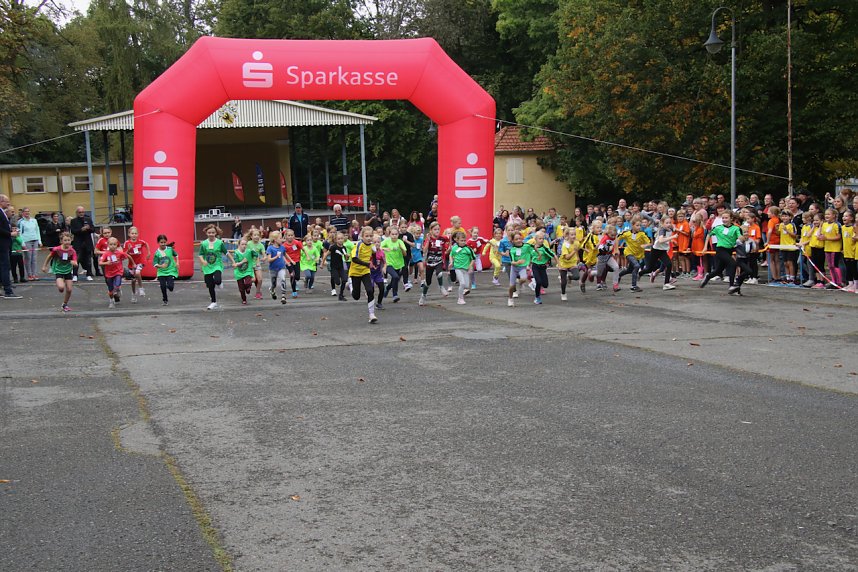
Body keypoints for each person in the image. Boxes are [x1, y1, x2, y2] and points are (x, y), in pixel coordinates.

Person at [701, 211, 742, 290]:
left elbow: (740, 237)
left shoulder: (736, 228)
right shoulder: (718, 228)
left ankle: (708, 276)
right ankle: (731, 285)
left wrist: (742, 238)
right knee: (733, 263)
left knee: (718, 270)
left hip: (729, 250)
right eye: (723, 218)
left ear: (731, 219)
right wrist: (705, 247)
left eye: (726, 218)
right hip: (720, 249)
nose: (724, 219)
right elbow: (709, 235)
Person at [348, 226, 378, 323]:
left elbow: (374, 253)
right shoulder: (359, 245)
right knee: (356, 297)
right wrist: (367, 264)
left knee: (370, 290)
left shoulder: (372, 245)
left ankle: (371, 314)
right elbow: (354, 259)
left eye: (371, 236)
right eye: (367, 236)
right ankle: (351, 285)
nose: (369, 238)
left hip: (365, 272)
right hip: (355, 272)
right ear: (362, 236)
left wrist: (375, 263)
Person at [41, 231, 77, 311]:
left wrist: (74, 263)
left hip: (68, 271)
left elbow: (75, 262)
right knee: (61, 288)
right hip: (59, 270)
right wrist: (44, 266)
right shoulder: (57, 249)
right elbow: (49, 256)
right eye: (65, 240)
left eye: (68, 240)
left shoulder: (72, 251)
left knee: (69, 289)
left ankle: (65, 304)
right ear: (61, 241)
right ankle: (60, 282)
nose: (67, 242)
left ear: (71, 240)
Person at [198, 224, 228, 310]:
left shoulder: (219, 242)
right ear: (206, 233)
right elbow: (200, 254)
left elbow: (226, 252)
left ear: (216, 233)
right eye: (209, 232)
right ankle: (213, 302)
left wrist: (233, 262)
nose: (211, 234)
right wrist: (203, 261)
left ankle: (219, 282)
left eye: (213, 232)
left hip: (217, 265)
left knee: (217, 280)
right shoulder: (204, 243)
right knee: (210, 285)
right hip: (207, 267)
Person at [420, 221, 449, 306]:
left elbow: (450, 239)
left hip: (439, 261)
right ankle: (423, 295)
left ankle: (441, 287)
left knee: (439, 273)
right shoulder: (428, 239)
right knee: (428, 282)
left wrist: (449, 248)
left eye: (438, 229)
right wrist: (428, 241)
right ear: (431, 231)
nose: (437, 231)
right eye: (435, 229)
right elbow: (424, 251)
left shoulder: (442, 238)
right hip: (430, 263)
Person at [617, 219, 650, 292]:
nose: (639, 227)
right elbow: (617, 238)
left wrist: (645, 245)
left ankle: (618, 276)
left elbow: (649, 242)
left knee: (629, 270)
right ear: (632, 226)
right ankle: (634, 286)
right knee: (637, 266)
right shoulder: (626, 233)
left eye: (640, 225)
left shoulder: (642, 234)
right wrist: (616, 248)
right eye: (637, 225)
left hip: (637, 254)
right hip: (628, 252)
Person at [0, 194, 22, 299]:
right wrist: (10, 234)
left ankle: (3, 287)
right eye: (6, 201)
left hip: (5, 243)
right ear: (1, 201)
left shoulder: (2, 212)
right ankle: (8, 291)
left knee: (3, 267)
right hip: (2, 244)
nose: (8, 203)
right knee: (5, 266)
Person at [98, 237, 130, 308]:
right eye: (111, 244)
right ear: (108, 245)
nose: (113, 246)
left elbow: (126, 255)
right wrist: (106, 263)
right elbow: (100, 262)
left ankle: (117, 289)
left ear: (117, 245)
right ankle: (111, 300)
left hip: (118, 271)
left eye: (114, 244)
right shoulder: (106, 254)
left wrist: (132, 262)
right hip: (109, 273)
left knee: (118, 282)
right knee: (110, 289)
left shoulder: (119, 253)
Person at [122, 226, 150, 303]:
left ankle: (141, 288)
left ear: (138, 234)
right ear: (129, 234)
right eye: (132, 233)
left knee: (138, 272)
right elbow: (124, 254)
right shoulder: (127, 243)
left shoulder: (140, 241)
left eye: (135, 233)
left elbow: (146, 244)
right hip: (132, 264)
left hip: (141, 261)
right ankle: (133, 294)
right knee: (133, 280)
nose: (134, 235)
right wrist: (128, 249)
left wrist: (148, 253)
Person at [529, 230, 556, 304]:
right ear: (535, 239)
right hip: (535, 266)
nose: (541, 240)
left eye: (542, 239)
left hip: (543, 267)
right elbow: (528, 256)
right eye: (540, 238)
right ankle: (537, 297)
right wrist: (527, 265)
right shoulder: (531, 248)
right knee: (539, 282)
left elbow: (553, 255)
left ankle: (535, 283)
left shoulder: (544, 248)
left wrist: (559, 264)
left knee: (545, 284)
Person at [449, 231, 476, 304]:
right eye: (461, 240)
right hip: (458, 268)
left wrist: (470, 266)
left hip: (466, 269)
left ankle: (461, 292)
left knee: (467, 286)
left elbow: (473, 258)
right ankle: (460, 298)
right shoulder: (455, 248)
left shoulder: (468, 249)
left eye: (464, 240)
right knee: (462, 283)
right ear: (457, 240)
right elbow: (451, 255)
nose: (463, 242)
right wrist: (451, 262)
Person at [381, 226, 407, 303]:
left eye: (396, 234)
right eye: (392, 234)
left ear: (398, 235)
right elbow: (378, 247)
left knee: (395, 279)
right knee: (395, 277)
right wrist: (385, 249)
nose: (394, 236)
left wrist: (401, 248)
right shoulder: (387, 241)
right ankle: (395, 295)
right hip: (388, 263)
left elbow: (405, 254)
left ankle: (388, 288)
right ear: (390, 235)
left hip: (398, 264)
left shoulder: (400, 242)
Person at [507, 231, 533, 307]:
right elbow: (512, 262)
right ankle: (510, 298)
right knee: (512, 286)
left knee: (524, 278)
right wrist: (517, 262)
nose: (518, 240)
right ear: (512, 241)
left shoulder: (526, 246)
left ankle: (520, 283)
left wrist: (537, 254)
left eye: (520, 238)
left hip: (522, 267)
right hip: (514, 268)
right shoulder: (512, 250)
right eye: (516, 239)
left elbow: (534, 247)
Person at [69, 206, 95, 281]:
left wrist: (88, 228)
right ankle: (75, 275)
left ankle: (89, 274)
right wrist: (81, 230)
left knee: (88, 260)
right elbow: (73, 231)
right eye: (79, 212)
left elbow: (93, 229)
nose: (81, 214)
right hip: (78, 242)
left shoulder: (88, 219)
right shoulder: (73, 221)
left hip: (87, 242)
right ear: (77, 213)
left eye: (82, 212)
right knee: (76, 259)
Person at [152, 234, 179, 305]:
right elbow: (155, 264)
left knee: (170, 287)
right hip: (161, 272)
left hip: (171, 270)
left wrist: (177, 263)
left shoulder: (170, 249)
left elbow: (176, 255)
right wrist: (161, 266)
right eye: (161, 242)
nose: (163, 244)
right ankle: (165, 300)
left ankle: (169, 286)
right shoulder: (157, 253)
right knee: (163, 286)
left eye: (164, 242)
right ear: (158, 243)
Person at [16, 207, 42, 281]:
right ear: (23, 213)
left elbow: (37, 230)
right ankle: (29, 274)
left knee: (34, 259)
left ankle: (34, 274)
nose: (27, 213)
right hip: (26, 241)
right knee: (28, 258)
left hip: (35, 240)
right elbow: (19, 233)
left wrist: (40, 241)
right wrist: (22, 243)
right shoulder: (20, 222)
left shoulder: (34, 220)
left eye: (28, 211)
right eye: (25, 211)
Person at [229, 237, 256, 305]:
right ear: (239, 245)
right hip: (239, 272)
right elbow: (235, 264)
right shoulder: (236, 253)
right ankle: (244, 299)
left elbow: (256, 255)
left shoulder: (249, 251)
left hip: (248, 270)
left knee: (247, 283)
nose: (244, 246)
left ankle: (248, 287)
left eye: (245, 244)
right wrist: (242, 261)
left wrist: (254, 251)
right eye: (242, 244)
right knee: (241, 288)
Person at [556, 227, 581, 301]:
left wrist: (578, 257)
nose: (574, 236)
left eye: (575, 234)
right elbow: (567, 257)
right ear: (567, 236)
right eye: (572, 234)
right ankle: (563, 293)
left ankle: (569, 277)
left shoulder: (576, 242)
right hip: (564, 263)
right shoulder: (565, 245)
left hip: (572, 263)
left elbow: (578, 248)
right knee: (563, 282)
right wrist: (574, 251)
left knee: (577, 276)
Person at [265, 231, 288, 304]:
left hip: (281, 267)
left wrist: (288, 261)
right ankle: (272, 290)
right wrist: (276, 257)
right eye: (280, 238)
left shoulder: (282, 247)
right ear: (275, 240)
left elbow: (284, 254)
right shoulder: (270, 248)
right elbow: (269, 260)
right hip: (273, 268)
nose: (282, 240)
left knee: (283, 279)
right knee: (273, 283)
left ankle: (283, 296)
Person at [326, 231, 350, 300]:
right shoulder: (333, 247)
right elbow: (326, 254)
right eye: (339, 239)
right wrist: (322, 262)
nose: (340, 240)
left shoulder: (344, 248)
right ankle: (334, 286)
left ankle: (341, 295)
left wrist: (347, 256)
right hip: (333, 266)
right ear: (336, 240)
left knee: (345, 279)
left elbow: (345, 258)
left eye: (341, 238)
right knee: (337, 282)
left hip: (341, 266)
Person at [282, 229, 303, 298]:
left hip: (296, 260)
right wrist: (287, 262)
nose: (290, 237)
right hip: (289, 262)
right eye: (289, 235)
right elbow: (283, 254)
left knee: (297, 277)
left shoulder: (297, 243)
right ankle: (294, 291)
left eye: (292, 235)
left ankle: (295, 283)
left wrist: (307, 256)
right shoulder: (284, 245)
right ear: (285, 236)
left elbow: (303, 249)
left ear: (294, 236)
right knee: (292, 275)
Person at [246, 229, 266, 300]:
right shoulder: (248, 244)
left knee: (260, 279)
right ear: (251, 236)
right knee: (253, 279)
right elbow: (245, 253)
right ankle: (248, 285)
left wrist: (264, 258)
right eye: (255, 235)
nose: (256, 236)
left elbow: (264, 255)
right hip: (249, 264)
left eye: (258, 235)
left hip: (257, 264)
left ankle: (257, 292)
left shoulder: (261, 245)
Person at [841, 210, 856, 292]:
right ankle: (850, 283)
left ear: (851, 218)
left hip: (852, 251)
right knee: (848, 268)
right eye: (843, 216)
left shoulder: (853, 228)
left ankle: (855, 284)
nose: (844, 217)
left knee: (854, 268)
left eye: (846, 216)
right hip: (846, 251)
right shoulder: (842, 228)